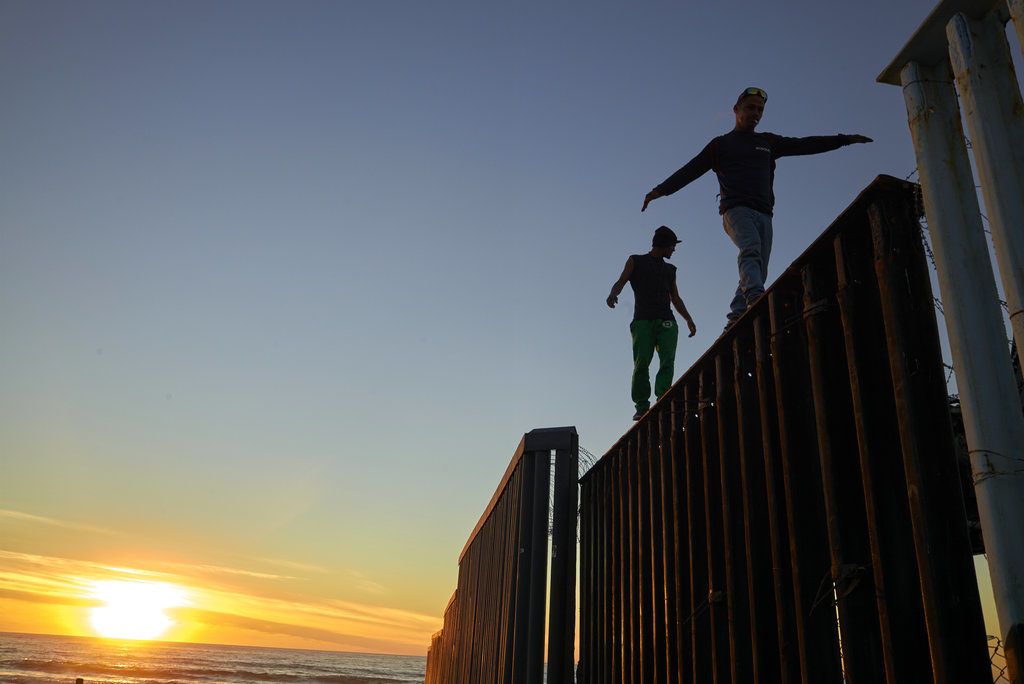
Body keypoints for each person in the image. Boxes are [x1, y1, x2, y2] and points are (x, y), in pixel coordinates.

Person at [641, 86, 872, 328]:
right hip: (735, 210)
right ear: (736, 110)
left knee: (759, 267)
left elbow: (805, 144)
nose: (756, 113)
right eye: (750, 108)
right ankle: (754, 297)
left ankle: (736, 316)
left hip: (764, 213)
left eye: (760, 110)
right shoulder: (720, 145)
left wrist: (844, 140)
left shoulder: (768, 142)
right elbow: (690, 170)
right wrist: (660, 190)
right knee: (750, 249)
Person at [607, 226, 697, 420]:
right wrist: (613, 294)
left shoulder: (670, 270)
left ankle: (663, 397)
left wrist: (688, 318)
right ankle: (641, 405)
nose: (674, 251)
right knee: (642, 363)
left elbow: (676, 298)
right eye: (672, 246)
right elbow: (621, 280)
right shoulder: (636, 261)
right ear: (664, 244)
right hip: (642, 322)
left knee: (667, 359)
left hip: (666, 321)